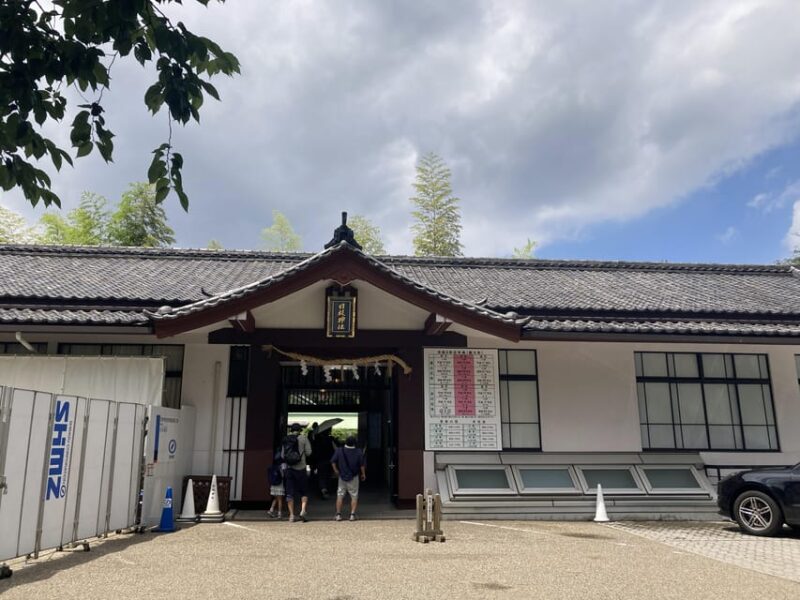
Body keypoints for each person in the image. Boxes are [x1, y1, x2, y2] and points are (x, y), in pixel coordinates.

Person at [282, 423, 312, 522]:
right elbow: (309, 452)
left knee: (289, 492)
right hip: (301, 468)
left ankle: (291, 515)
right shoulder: (304, 438)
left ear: (291, 430)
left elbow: (282, 455)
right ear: (300, 430)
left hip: (289, 468)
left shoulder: (286, 439)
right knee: (304, 491)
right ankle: (303, 511)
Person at [331, 435, 366, 521]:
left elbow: (333, 461)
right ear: (355, 443)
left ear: (345, 442)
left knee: (340, 495)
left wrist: (336, 470)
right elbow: (362, 465)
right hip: (354, 476)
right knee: (354, 495)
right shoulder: (358, 452)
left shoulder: (339, 450)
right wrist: (363, 474)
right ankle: (352, 515)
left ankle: (338, 515)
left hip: (342, 476)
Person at [311, 426, 335, 499]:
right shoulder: (331, 439)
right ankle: (327, 489)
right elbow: (335, 450)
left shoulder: (317, 440)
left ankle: (323, 489)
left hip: (320, 461)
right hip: (330, 460)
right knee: (328, 476)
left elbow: (314, 451)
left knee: (321, 476)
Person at [266, 449, 285, 519]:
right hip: (279, 484)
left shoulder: (272, 467)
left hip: (273, 484)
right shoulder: (281, 467)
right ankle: (279, 513)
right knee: (280, 499)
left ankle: (271, 510)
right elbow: (282, 476)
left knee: (276, 498)